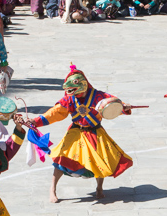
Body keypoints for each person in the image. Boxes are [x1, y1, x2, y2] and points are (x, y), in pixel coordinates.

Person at [27, 64, 134, 203]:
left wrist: (124, 107)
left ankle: (99, 188)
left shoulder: (99, 96)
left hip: (95, 132)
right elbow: (55, 113)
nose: (71, 92)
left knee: (100, 160)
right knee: (62, 158)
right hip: (76, 131)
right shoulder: (69, 98)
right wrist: (36, 121)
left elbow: (113, 104)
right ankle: (52, 189)